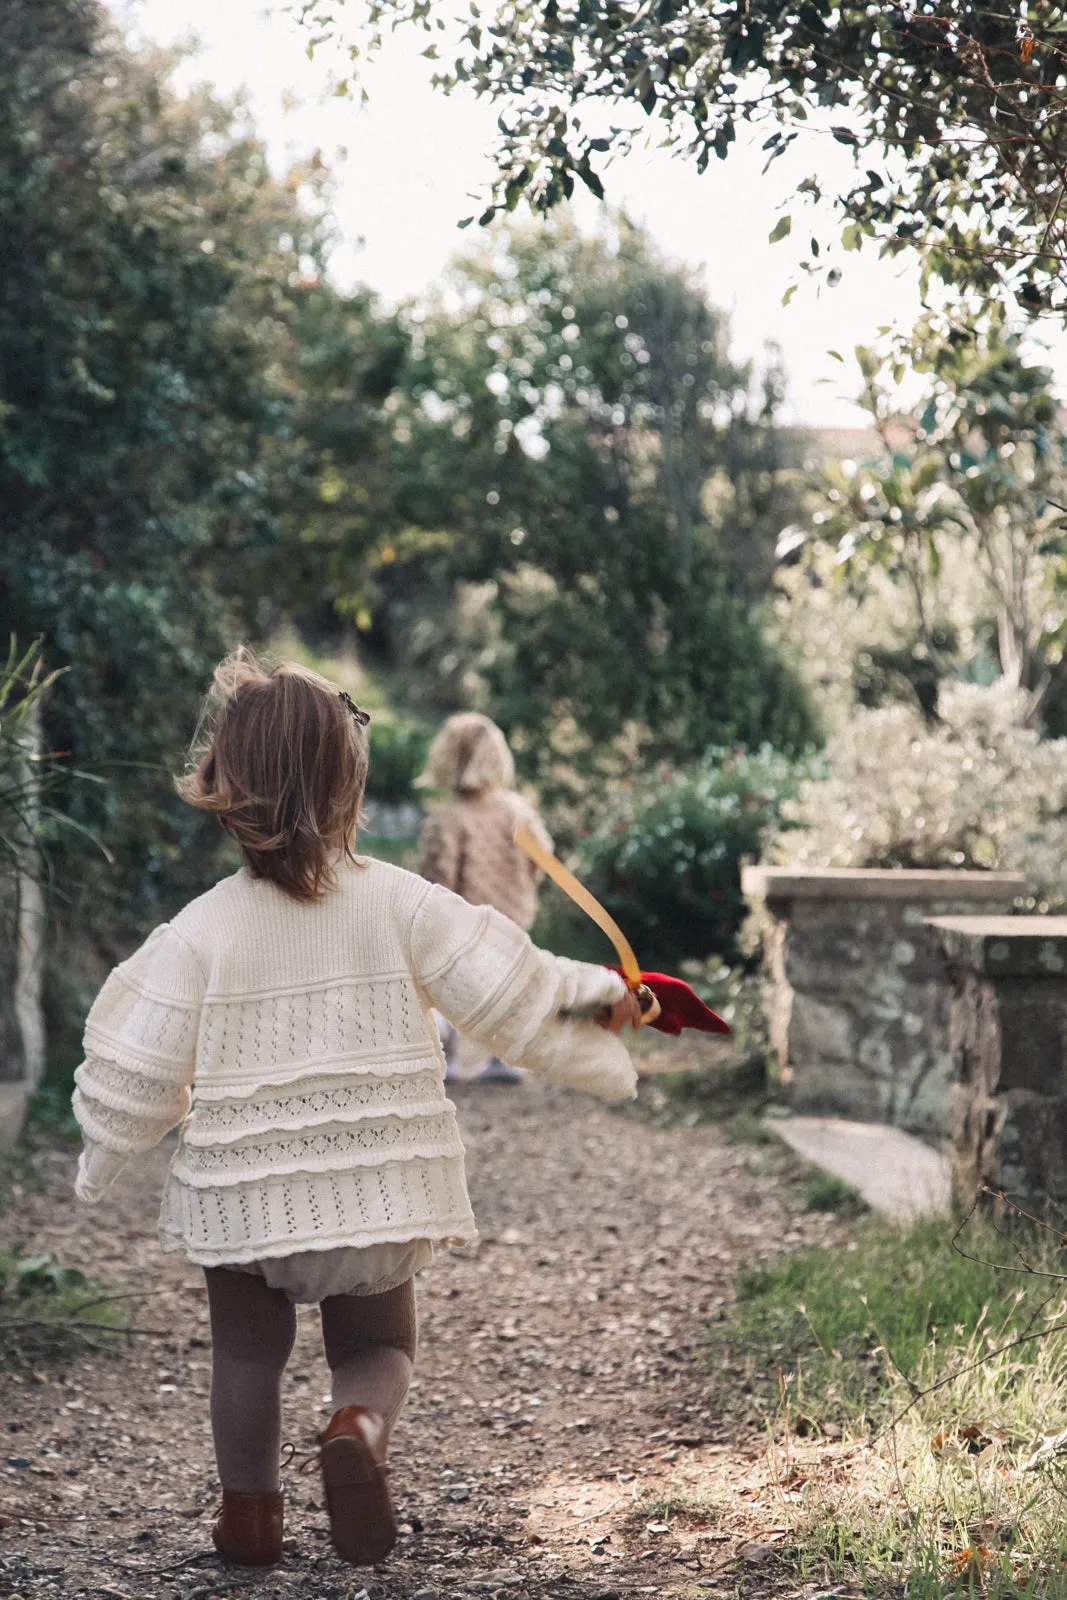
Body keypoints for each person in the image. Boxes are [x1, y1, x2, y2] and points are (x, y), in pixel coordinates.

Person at [71, 651, 640, 1571]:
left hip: (248, 1198)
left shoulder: (202, 927)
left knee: (246, 1359)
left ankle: (249, 1519)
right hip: (375, 1188)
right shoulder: (401, 902)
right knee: (378, 1341)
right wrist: (611, 996)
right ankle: (359, 1428)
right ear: (349, 783)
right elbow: (507, 985)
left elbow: (142, 1055)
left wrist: (103, 1151)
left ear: (224, 786)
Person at [417, 712, 553, 1083]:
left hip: (466, 923)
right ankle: (505, 1059)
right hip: (512, 918)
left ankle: (441, 1042)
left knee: (449, 984)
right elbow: (541, 862)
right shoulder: (518, 810)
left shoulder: (448, 820)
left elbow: (437, 879)